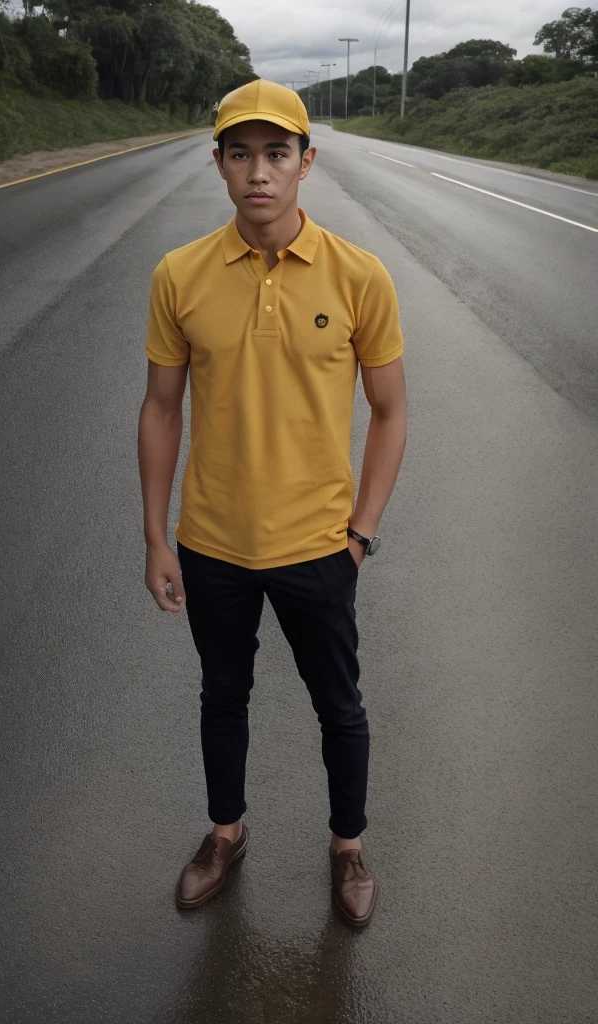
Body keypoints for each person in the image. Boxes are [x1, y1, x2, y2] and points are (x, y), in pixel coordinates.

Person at [138, 79, 406, 927]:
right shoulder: (179, 275)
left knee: (341, 705)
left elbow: (393, 410)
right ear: (218, 164)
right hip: (213, 541)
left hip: (319, 547)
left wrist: (359, 536)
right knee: (223, 694)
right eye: (241, 153)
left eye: (277, 153)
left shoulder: (360, 277)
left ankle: (348, 846)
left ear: (306, 163)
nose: (260, 171)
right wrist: (157, 538)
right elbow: (161, 408)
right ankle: (225, 833)